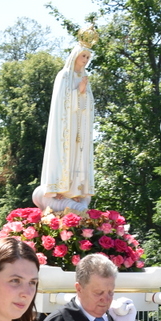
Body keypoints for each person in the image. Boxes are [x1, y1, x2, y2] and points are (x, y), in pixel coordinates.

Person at [34, 26, 97, 214]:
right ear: (75, 55)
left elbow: (89, 105)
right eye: (83, 56)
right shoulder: (64, 75)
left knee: (79, 156)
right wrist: (78, 92)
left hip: (80, 127)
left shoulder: (84, 78)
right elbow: (62, 103)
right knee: (65, 154)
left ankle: (75, 191)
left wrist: (83, 92)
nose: (85, 60)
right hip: (65, 127)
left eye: (88, 57)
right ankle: (59, 189)